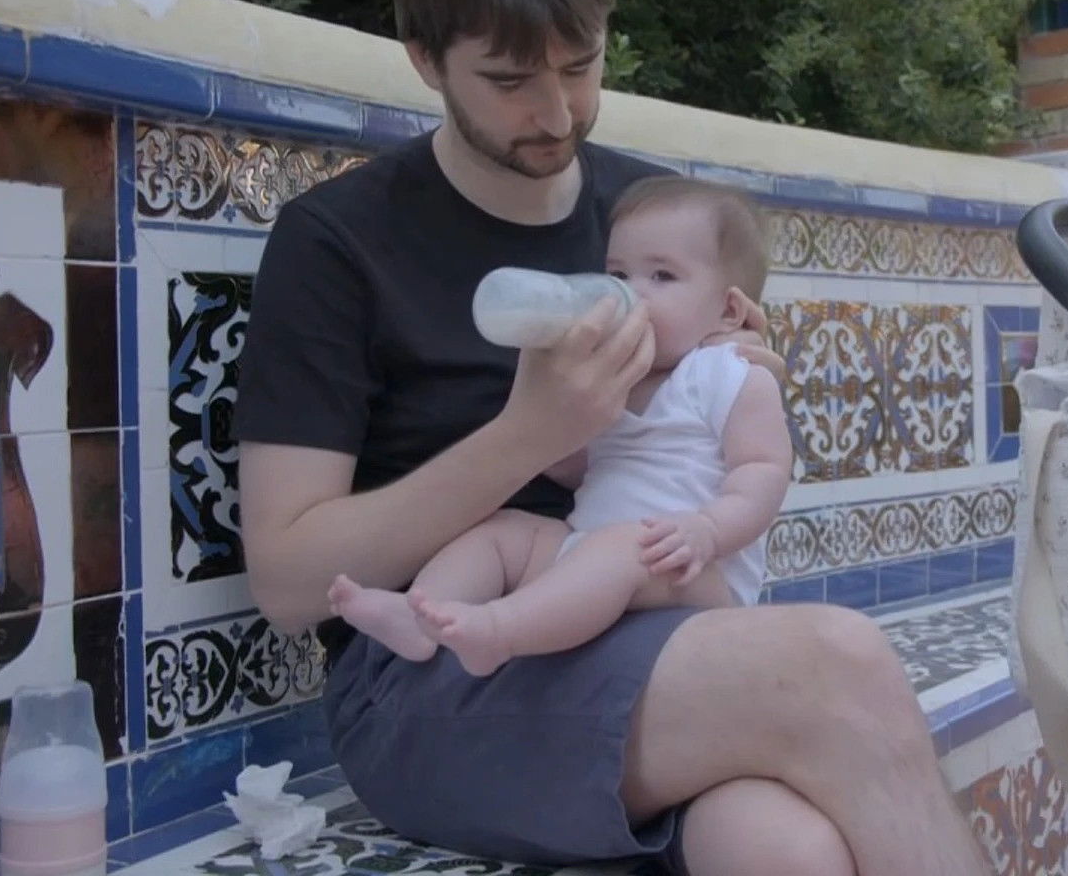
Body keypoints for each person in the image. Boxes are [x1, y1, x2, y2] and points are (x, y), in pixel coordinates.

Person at [233, 0, 992, 876]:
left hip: (649, 625)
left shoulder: (655, 222)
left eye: (581, 65)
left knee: (784, 848)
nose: (556, 111)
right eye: (509, 81)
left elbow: (729, 432)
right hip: (435, 676)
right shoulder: (338, 243)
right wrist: (529, 437)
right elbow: (288, 582)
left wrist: (737, 369)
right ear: (424, 59)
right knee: (836, 663)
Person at [325, 176, 790, 678]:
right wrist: (546, 423)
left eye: (662, 276)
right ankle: (420, 613)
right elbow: (579, 468)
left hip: (694, 571)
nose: (630, 293)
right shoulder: (614, 377)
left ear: (729, 310)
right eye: (618, 274)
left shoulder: (730, 373)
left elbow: (763, 471)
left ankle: (498, 632)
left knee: (624, 548)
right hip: (588, 547)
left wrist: (709, 530)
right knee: (504, 533)